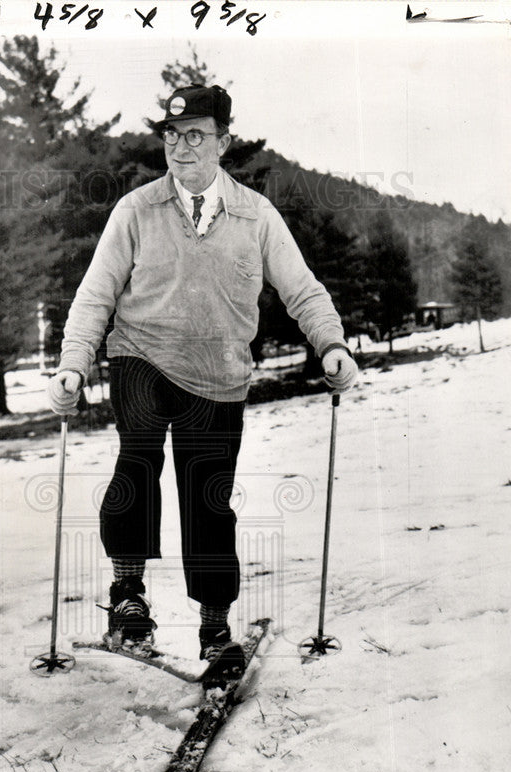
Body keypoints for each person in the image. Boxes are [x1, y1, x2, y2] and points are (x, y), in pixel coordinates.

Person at [49, 84, 358, 665]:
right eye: (172, 136)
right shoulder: (136, 211)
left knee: (208, 497)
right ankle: (128, 595)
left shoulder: (255, 216)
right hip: (142, 356)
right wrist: (73, 362)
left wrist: (332, 345)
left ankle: (215, 627)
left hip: (218, 376)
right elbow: (96, 294)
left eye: (195, 135)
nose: (181, 148)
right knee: (137, 457)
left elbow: (302, 289)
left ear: (223, 142)